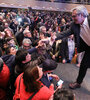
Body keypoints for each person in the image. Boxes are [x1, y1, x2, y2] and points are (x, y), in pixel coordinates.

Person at [56, 5, 90, 89]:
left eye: (74, 16)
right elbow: (65, 33)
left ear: (81, 15)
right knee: (83, 65)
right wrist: (52, 37)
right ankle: (78, 83)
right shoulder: (75, 25)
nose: (72, 18)